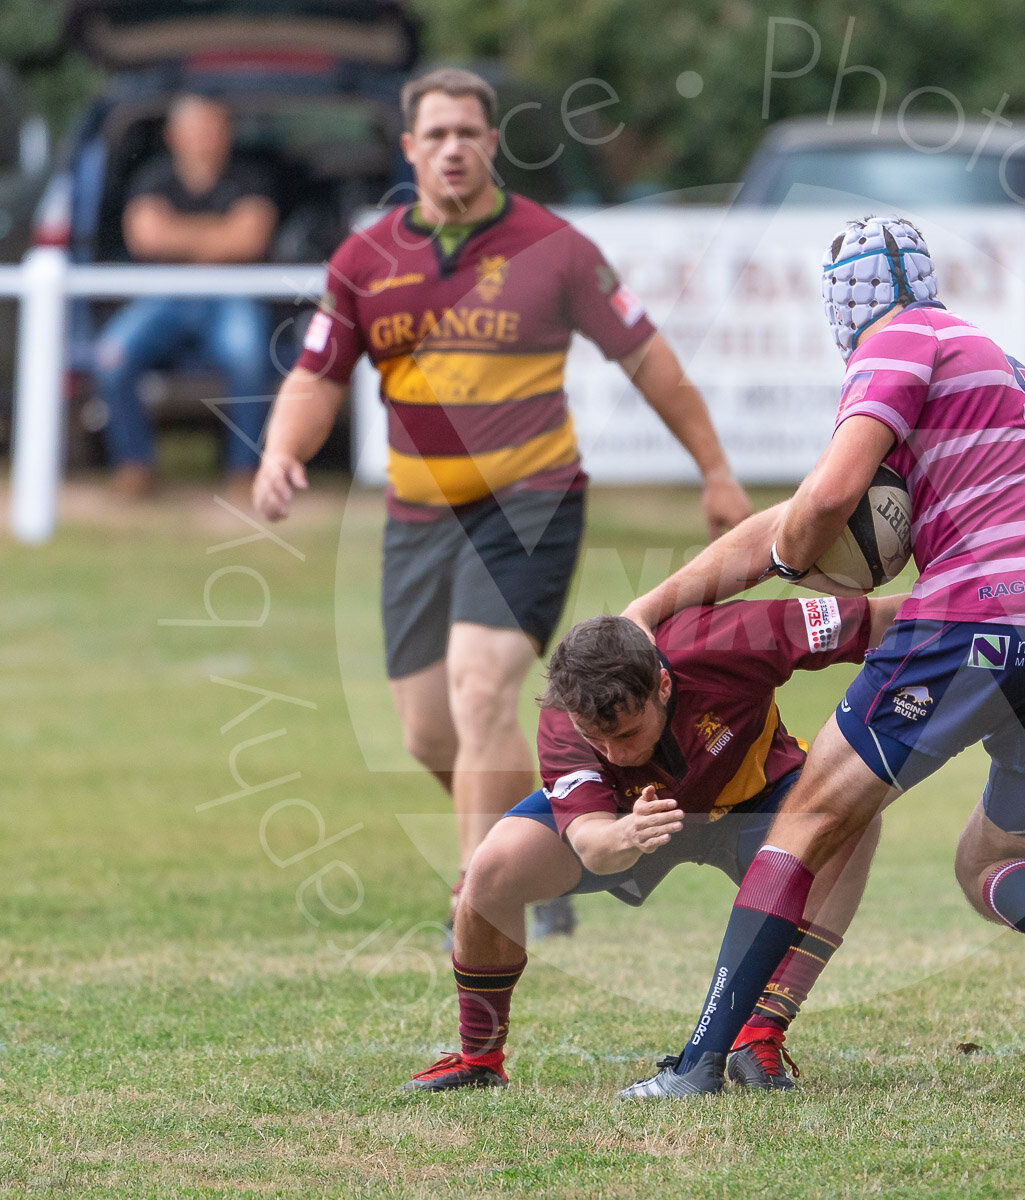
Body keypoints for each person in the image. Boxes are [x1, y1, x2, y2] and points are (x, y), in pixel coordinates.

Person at [615, 216, 1025, 1097]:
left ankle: (703, 1061)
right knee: (988, 864)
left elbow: (824, 496)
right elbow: (784, 520)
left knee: (810, 818)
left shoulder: (899, 338)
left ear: (843, 303)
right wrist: (658, 603)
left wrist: (801, 551)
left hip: (984, 611)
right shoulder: (992, 362)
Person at [252, 68, 751, 939]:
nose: (453, 147)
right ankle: (544, 852)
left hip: (531, 499)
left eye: (468, 132)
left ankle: (481, 898)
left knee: (483, 692)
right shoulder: (365, 260)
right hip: (416, 514)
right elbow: (315, 374)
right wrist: (282, 454)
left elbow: (648, 361)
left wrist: (715, 470)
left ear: (491, 143)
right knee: (428, 733)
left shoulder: (553, 246)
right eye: (435, 133)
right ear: (410, 148)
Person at [400, 593, 899, 1092]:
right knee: (491, 869)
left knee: (854, 820)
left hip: (761, 801)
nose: (616, 754)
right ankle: (479, 1059)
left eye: (629, 733)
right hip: (628, 819)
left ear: (663, 684)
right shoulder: (564, 712)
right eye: (597, 740)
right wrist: (628, 831)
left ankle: (759, 1035)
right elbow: (591, 842)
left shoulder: (728, 638)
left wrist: (971, 603)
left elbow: (880, 618)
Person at [96, 94, 278, 498]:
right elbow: (144, 238)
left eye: (214, 129)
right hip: (165, 296)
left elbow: (249, 240)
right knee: (110, 356)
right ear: (174, 136)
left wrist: (176, 237)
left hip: (232, 294)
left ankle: (244, 471)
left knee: (249, 359)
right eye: (196, 130)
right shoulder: (151, 178)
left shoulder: (250, 178)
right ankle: (135, 466)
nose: (206, 139)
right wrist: (219, 236)